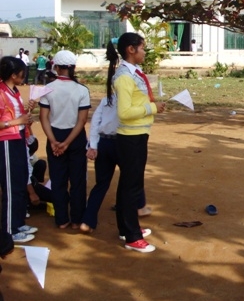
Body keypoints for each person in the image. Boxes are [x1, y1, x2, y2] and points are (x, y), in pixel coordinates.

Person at [107, 33, 165, 253]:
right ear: (131, 49)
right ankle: (132, 237)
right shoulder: (124, 76)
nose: (144, 52)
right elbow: (124, 112)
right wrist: (152, 108)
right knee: (131, 187)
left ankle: (126, 228)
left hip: (137, 135)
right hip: (130, 137)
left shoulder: (133, 73)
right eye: (142, 48)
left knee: (128, 185)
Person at [80, 94, 151, 233]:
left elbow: (95, 122)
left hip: (104, 143)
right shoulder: (132, 101)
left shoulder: (107, 99)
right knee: (132, 178)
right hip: (124, 143)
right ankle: (140, 207)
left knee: (101, 184)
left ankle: (87, 221)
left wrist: (93, 145)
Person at [39, 50, 91, 230]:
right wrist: (68, 142)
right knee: (77, 180)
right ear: (73, 68)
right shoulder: (82, 90)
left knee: (58, 178)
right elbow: (82, 120)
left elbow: (43, 117)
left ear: (56, 67)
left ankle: (61, 219)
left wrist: (54, 141)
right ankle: (77, 219)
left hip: (54, 134)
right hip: (75, 138)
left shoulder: (48, 88)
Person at [0, 57, 37, 243]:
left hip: (19, 138)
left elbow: (19, 117)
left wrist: (26, 117)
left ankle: (18, 222)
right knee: (10, 185)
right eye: (22, 73)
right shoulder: (0, 92)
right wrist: (17, 121)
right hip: (6, 142)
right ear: (13, 75)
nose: (24, 76)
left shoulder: (13, 92)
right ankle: (9, 231)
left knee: (21, 179)